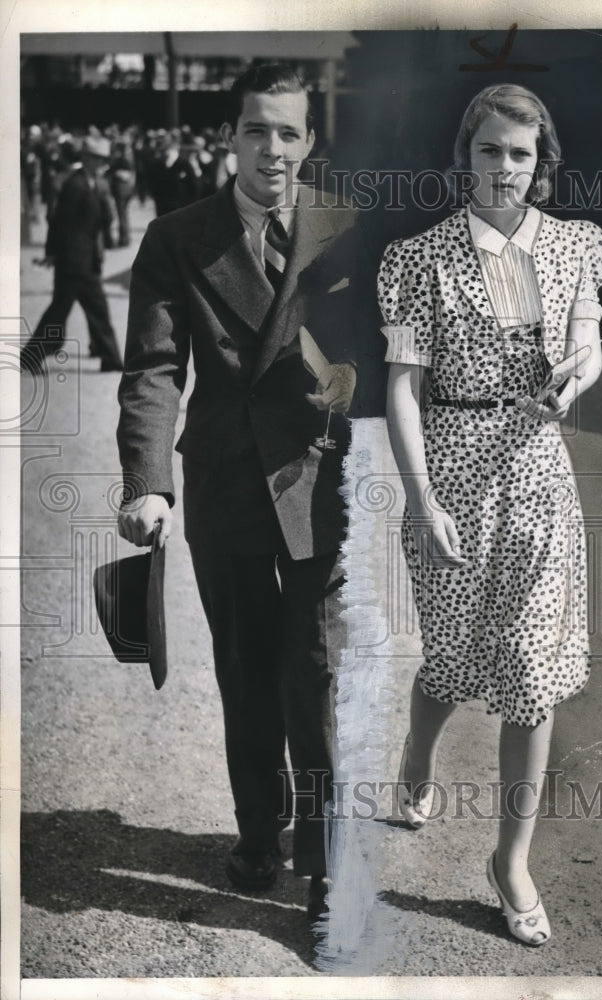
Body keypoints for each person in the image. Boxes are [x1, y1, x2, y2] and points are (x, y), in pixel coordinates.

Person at [116, 63, 384, 923]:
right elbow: (154, 370)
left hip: (317, 480)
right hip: (226, 482)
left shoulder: (347, 229)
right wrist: (149, 483)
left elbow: (384, 348)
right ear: (230, 138)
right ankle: (258, 833)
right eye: (256, 130)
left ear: (310, 142)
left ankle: (324, 862)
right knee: (244, 671)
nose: (272, 148)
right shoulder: (177, 237)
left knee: (312, 671)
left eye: (289, 132)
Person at [380, 83, 602, 946]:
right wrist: (420, 493)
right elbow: (401, 387)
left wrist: (574, 383)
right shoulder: (420, 258)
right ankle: (415, 756)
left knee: (531, 669)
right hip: (450, 466)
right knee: (452, 657)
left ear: (540, 161)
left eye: (520, 153)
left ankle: (509, 859)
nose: (505, 168)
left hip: (537, 474)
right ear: (464, 156)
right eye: (489, 151)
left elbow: (587, 345)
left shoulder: (577, 248)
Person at [20, 135, 124, 373]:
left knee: (91, 310)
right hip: (74, 261)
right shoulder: (75, 185)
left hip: (85, 261)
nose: (100, 164)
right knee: (63, 311)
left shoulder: (94, 184)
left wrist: (106, 201)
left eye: (102, 160)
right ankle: (31, 357)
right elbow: (59, 223)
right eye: (96, 159)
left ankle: (110, 358)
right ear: (86, 158)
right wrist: (52, 253)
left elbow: (105, 220)